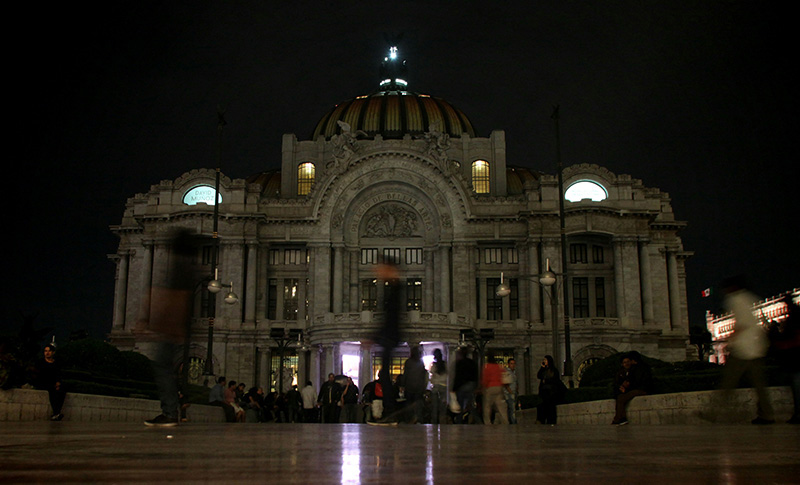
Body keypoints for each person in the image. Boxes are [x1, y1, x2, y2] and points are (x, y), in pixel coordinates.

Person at [144, 229, 195, 427]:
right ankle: (175, 406)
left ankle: (170, 411)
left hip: (172, 327)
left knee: (163, 368)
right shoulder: (186, 265)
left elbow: (177, 296)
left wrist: (154, 321)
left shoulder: (180, 266)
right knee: (168, 369)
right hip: (178, 327)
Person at [719, 276, 775, 424]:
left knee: (728, 382)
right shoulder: (750, 297)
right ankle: (767, 414)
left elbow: (742, 323)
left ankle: (715, 413)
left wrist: (730, 340)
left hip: (744, 348)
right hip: (757, 346)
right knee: (759, 384)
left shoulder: (735, 299)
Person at [769, 295, 800, 424]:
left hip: (795, 357)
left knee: (797, 386)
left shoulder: (793, 318)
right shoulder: (793, 316)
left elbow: (790, 339)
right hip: (793, 356)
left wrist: (774, 334)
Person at [612, 351, 652, 425]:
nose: (628, 363)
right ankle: (622, 419)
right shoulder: (633, 368)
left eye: (629, 361)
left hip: (642, 389)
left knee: (621, 398)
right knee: (620, 397)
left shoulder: (641, 368)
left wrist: (628, 386)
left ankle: (617, 419)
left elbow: (638, 381)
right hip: (635, 389)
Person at [34, 343, 66, 421]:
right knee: (52, 391)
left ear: (53, 352)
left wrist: (58, 383)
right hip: (43, 382)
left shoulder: (56, 363)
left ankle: (56, 413)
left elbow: (58, 374)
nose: (47, 353)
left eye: (49, 351)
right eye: (45, 351)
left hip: (54, 383)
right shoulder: (40, 362)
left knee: (62, 390)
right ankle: (56, 413)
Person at [401, 346, 428, 423]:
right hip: (419, 387)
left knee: (409, 404)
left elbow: (405, 374)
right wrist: (423, 387)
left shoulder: (408, 362)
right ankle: (418, 418)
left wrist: (402, 384)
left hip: (409, 386)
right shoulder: (421, 362)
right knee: (418, 404)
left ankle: (409, 419)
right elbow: (423, 375)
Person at [480, 351, 509, 425]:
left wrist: (483, 387)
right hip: (499, 387)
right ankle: (505, 421)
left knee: (487, 406)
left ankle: (488, 423)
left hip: (490, 387)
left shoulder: (487, 367)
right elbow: (503, 375)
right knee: (501, 406)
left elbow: (485, 378)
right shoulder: (498, 366)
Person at [453, 348, 478, 424]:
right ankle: (477, 419)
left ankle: (459, 421)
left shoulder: (459, 363)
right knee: (470, 405)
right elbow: (475, 375)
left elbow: (457, 376)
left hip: (461, 386)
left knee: (460, 406)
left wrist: (454, 388)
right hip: (470, 385)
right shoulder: (472, 363)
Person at [537, 355, 562, 424]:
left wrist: (547, 381)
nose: (544, 361)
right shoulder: (544, 370)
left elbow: (555, 380)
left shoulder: (554, 370)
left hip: (551, 392)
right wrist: (542, 368)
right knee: (544, 406)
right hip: (544, 392)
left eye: (545, 360)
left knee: (551, 407)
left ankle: (551, 421)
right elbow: (539, 376)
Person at [430, 348, 447, 425]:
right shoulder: (445, 364)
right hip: (443, 386)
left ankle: (434, 423)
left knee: (434, 407)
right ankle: (442, 421)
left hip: (435, 387)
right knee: (442, 406)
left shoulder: (434, 365)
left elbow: (431, 375)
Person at [504, 358, 518, 424]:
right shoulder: (507, 372)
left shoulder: (514, 372)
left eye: (514, 363)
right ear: (508, 364)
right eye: (511, 364)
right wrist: (510, 392)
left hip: (513, 392)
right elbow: (506, 384)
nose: (513, 365)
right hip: (508, 393)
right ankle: (513, 422)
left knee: (511, 409)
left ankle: (511, 421)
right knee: (512, 409)